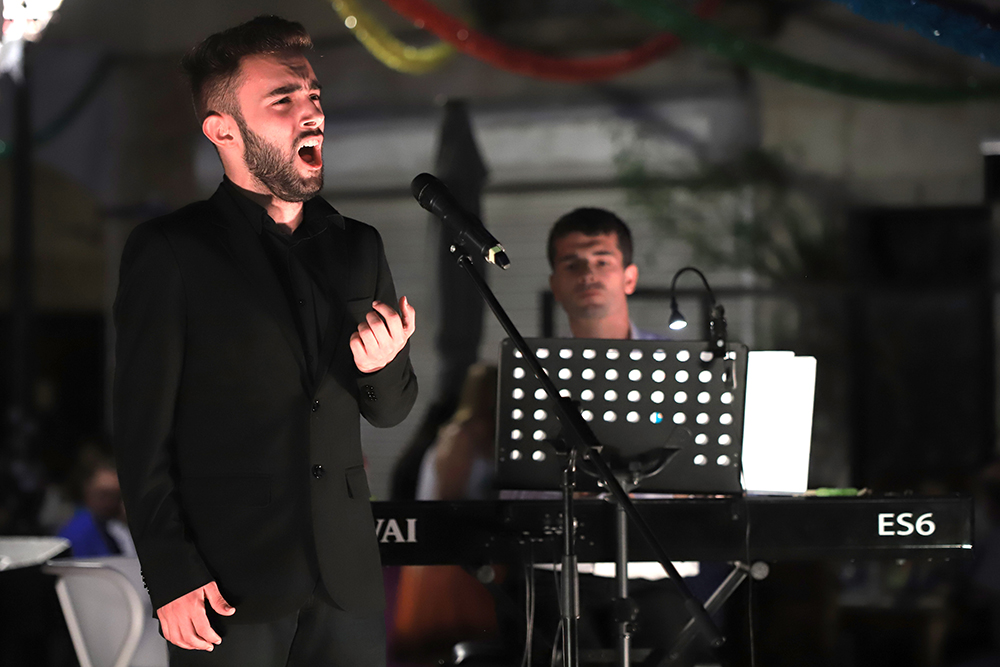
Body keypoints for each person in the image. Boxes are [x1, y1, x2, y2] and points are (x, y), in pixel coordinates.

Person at [113, 16, 417, 667]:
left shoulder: (357, 246)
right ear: (223, 129)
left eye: (313, 97)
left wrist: (384, 366)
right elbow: (141, 433)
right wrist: (170, 573)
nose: (312, 114)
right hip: (226, 585)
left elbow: (390, 408)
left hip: (347, 585)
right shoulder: (172, 251)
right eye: (283, 100)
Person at [547, 207, 657, 341]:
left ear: (629, 279)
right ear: (555, 286)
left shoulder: (673, 358)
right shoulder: (534, 361)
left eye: (602, 263)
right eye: (572, 266)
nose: (588, 274)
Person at [57, 457, 136, 558]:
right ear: (87, 491)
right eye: (104, 494)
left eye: (117, 495)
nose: (110, 501)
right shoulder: (76, 532)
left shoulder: (123, 526)